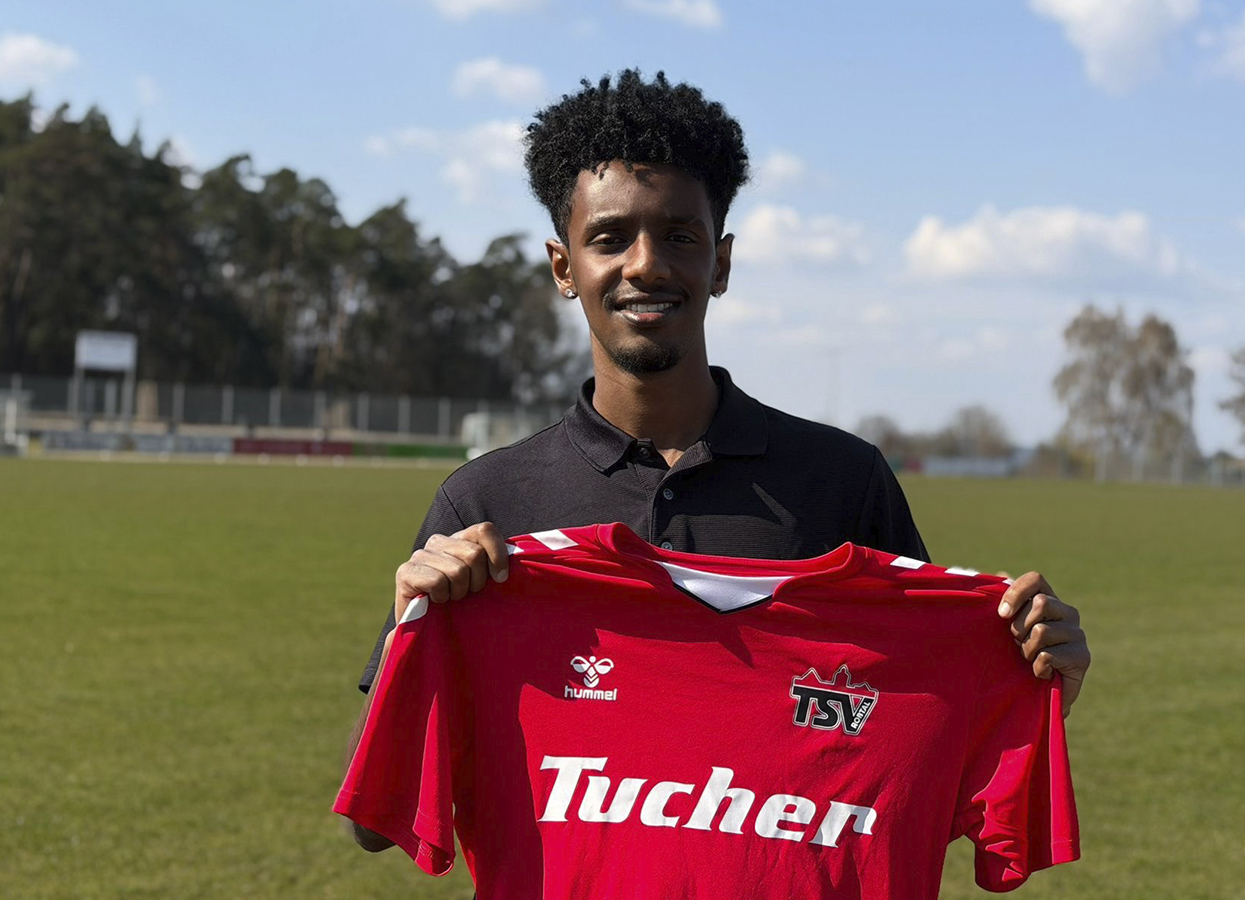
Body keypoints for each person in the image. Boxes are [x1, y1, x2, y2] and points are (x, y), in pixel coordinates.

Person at [345, 69, 1089, 855]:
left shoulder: (842, 481)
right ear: (564, 268)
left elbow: (913, 776)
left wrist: (1030, 686)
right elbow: (373, 824)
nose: (646, 265)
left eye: (679, 235)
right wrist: (408, 625)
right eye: (609, 238)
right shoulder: (487, 502)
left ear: (721, 263)